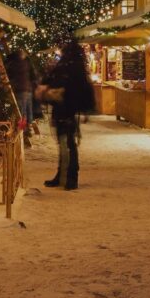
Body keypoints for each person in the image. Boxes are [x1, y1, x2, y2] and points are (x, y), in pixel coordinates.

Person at [35, 40, 94, 190]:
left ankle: (70, 177)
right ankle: (65, 175)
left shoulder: (69, 67)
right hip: (66, 108)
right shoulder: (71, 66)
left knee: (67, 144)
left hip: (65, 108)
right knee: (65, 144)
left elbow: (57, 82)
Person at [5, 48, 37, 126]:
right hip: (28, 89)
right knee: (28, 109)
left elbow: (9, 75)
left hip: (20, 89)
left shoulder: (14, 64)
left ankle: (23, 129)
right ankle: (28, 127)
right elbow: (33, 75)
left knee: (22, 111)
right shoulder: (27, 63)